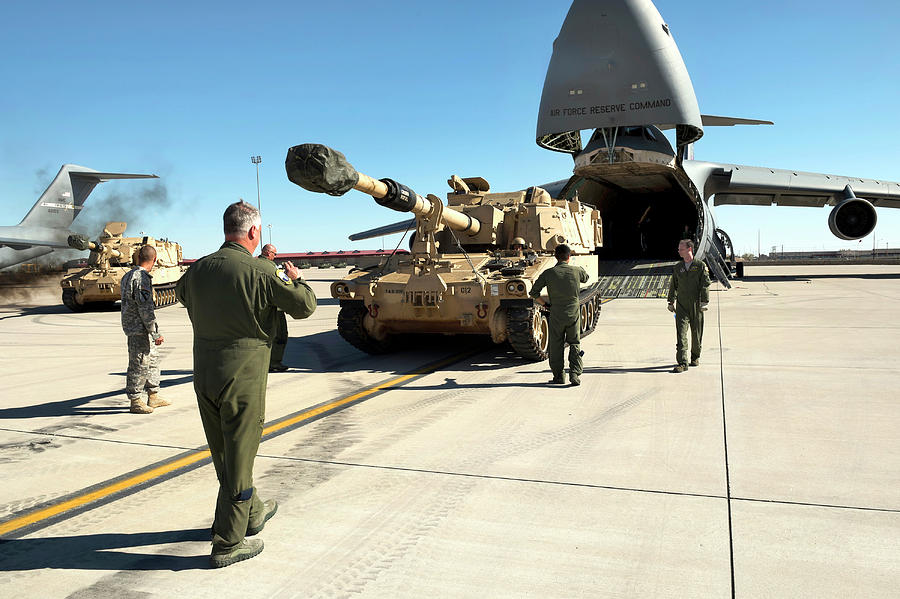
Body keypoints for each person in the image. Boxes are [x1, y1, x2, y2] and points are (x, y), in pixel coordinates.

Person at [175, 200, 317, 568]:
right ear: (254, 232)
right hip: (243, 377)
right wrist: (297, 280)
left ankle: (251, 513)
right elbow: (304, 307)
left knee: (224, 451)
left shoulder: (197, 270)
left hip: (205, 374)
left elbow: (182, 296)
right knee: (239, 457)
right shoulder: (261, 272)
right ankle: (227, 542)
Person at [529, 244, 589, 386]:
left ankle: (559, 377)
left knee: (556, 346)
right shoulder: (576, 270)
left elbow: (533, 293)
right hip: (573, 314)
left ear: (555, 256)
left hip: (556, 314)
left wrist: (544, 304)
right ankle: (574, 373)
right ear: (569, 257)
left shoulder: (548, 273)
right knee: (574, 343)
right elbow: (586, 278)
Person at [120, 245, 168, 414]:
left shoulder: (127, 276)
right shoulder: (141, 278)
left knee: (153, 361)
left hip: (138, 328)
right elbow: (145, 309)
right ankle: (135, 400)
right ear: (154, 260)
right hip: (139, 328)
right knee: (139, 364)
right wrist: (156, 332)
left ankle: (153, 396)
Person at [667, 238, 711, 373]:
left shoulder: (700, 266)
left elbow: (705, 284)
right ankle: (682, 362)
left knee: (696, 334)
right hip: (681, 306)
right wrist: (670, 301)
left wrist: (704, 301)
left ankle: (695, 357)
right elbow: (673, 285)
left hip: (696, 305)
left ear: (689, 249)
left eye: (681, 249)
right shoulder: (678, 267)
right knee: (681, 334)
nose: (679, 251)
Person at [258, 243, 289, 372]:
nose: (275, 256)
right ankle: (274, 362)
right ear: (268, 253)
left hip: (257, 308)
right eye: (274, 254)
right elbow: (287, 284)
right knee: (280, 336)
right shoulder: (273, 269)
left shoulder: (252, 265)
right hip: (274, 308)